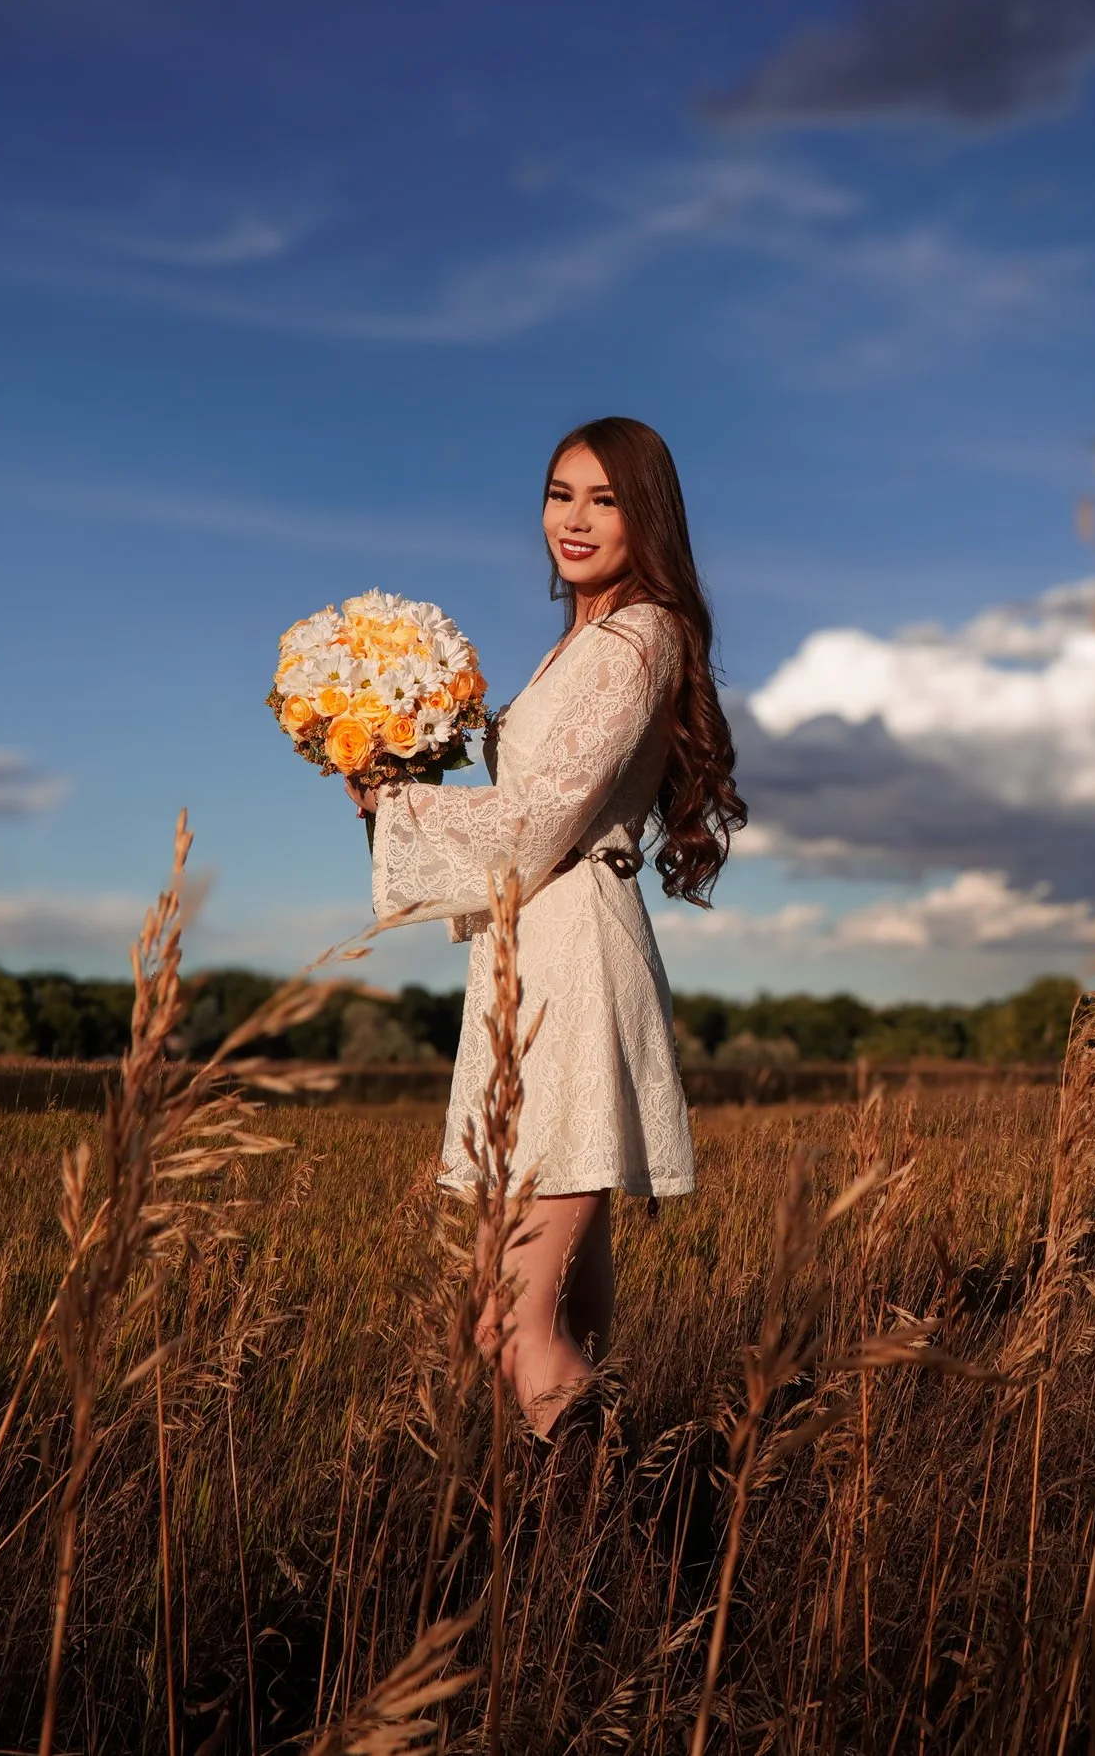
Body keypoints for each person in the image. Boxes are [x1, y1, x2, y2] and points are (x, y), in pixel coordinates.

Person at [347, 417, 745, 1438]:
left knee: (509, 1321)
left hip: (569, 954)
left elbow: (543, 817)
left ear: (644, 515)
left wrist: (397, 811)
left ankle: (604, 1542)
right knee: (567, 1318)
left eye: (603, 499)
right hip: (542, 943)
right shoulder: (584, 639)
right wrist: (396, 768)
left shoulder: (637, 635)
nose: (573, 519)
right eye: (560, 493)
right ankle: (607, 1547)